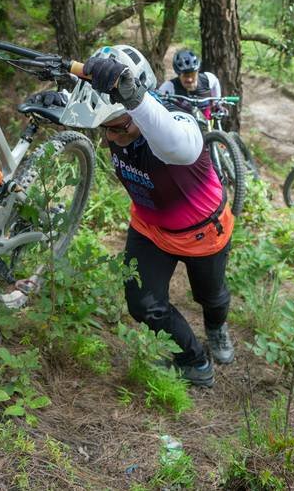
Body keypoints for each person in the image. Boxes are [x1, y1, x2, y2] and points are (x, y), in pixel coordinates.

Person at [81, 44, 235, 387]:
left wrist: (135, 99)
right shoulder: (115, 126)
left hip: (203, 233)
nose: (113, 138)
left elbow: (176, 145)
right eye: (105, 130)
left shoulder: (178, 120)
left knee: (211, 297)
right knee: (142, 304)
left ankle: (216, 327)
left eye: (120, 127)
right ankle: (194, 360)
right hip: (151, 229)